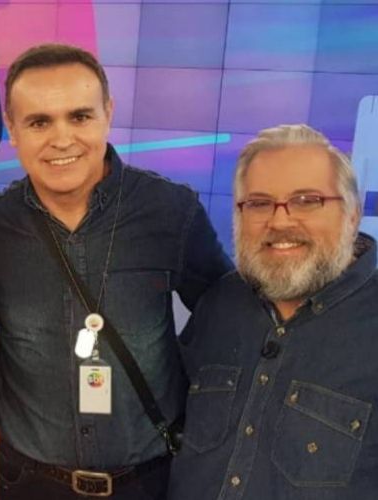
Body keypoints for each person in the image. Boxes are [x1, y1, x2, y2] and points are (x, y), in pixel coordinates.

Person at [0, 43, 231, 499]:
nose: (62, 139)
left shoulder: (170, 210)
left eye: (80, 116)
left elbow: (227, 317)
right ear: (12, 129)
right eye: (39, 122)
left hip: (149, 482)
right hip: (29, 483)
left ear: (108, 114)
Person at [168, 124, 378, 500]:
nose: (280, 221)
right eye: (259, 203)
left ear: (352, 214)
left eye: (307, 200)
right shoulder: (220, 303)